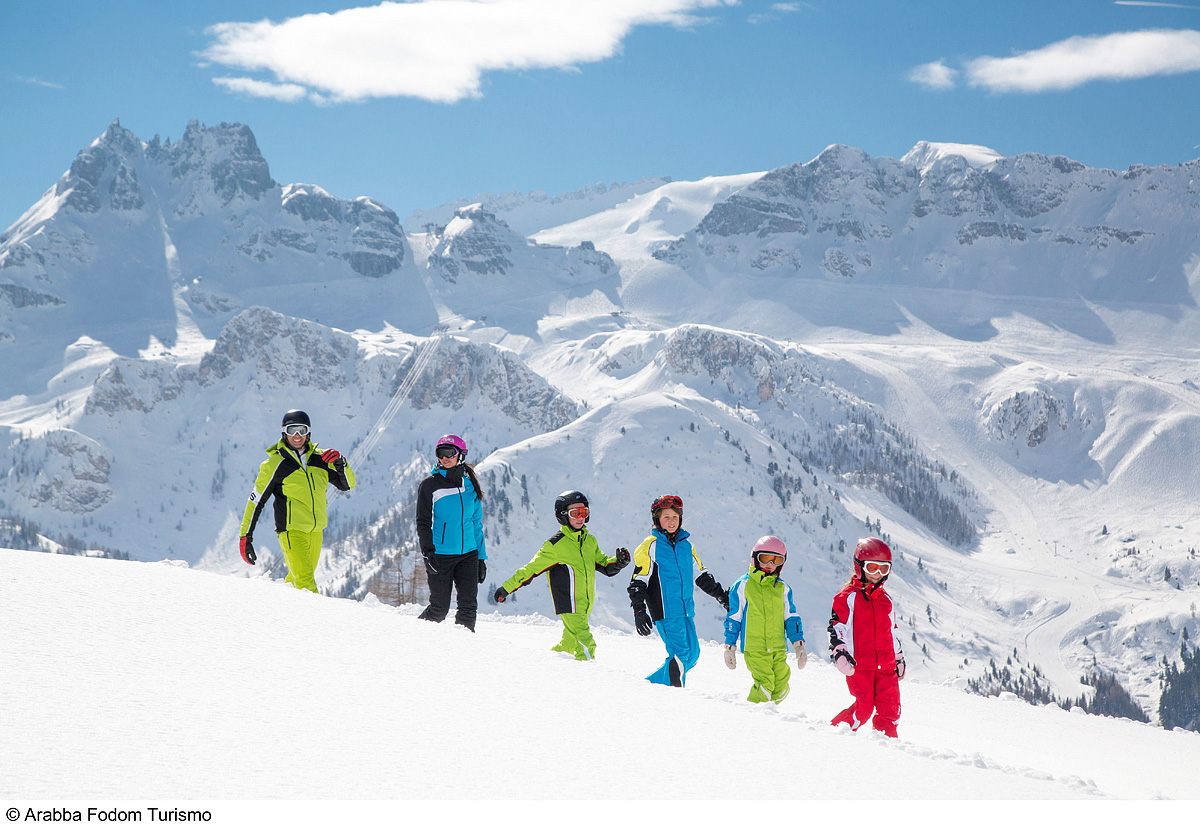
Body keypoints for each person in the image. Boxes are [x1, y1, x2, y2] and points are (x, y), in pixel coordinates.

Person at [493, 490, 630, 660]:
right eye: (575, 513)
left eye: (584, 512)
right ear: (563, 515)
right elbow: (530, 569)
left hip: (585, 605)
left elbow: (604, 565)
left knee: (568, 645)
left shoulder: (589, 541)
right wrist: (507, 588)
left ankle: (551, 662)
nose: (581, 517)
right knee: (586, 645)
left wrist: (619, 562)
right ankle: (589, 673)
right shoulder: (555, 545)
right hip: (569, 604)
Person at [239, 409, 354, 592]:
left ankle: (279, 606)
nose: (297, 435)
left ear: (309, 432)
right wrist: (246, 536)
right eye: (292, 430)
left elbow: (346, 485)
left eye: (302, 430)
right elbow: (256, 502)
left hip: (316, 532)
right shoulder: (275, 465)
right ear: (284, 433)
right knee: (306, 583)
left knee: (296, 582)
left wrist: (342, 464)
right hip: (292, 532)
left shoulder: (321, 460)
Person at [627, 494, 729, 687]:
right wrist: (639, 610)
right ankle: (674, 695)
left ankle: (649, 686)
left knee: (692, 654)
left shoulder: (687, 545)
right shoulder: (650, 546)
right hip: (666, 611)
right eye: (666, 517)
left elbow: (701, 576)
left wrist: (723, 597)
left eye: (675, 516)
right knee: (681, 654)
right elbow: (639, 581)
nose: (672, 521)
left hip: (686, 610)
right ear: (657, 519)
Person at [828, 536, 906, 738]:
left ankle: (885, 747)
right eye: (872, 568)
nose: (878, 574)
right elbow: (838, 627)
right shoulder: (848, 597)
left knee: (890, 710)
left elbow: (891, 632)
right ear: (859, 567)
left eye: (884, 569)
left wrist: (898, 657)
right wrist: (840, 652)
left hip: (886, 666)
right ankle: (833, 734)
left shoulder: (886, 600)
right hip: (860, 665)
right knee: (863, 709)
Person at [722, 535, 807, 703]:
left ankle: (768, 713)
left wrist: (798, 645)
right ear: (755, 558)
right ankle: (753, 714)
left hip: (778, 647)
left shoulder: (783, 588)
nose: (770, 564)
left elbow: (791, 618)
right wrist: (730, 646)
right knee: (765, 684)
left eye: (777, 560)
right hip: (755, 647)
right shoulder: (743, 585)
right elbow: (734, 617)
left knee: (781, 687)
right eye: (765, 558)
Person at [415, 434, 487, 632]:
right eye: (440, 453)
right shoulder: (430, 485)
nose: (444, 458)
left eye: (450, 453)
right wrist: (428, 551)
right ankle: (414, 637)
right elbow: (423, 522)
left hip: (469, 555)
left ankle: (463, 647)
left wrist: (481, 557)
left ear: (461, 455)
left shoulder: (470, 485)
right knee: (439, 609)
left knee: (468, 608)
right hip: (441, 555)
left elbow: (476, 523)